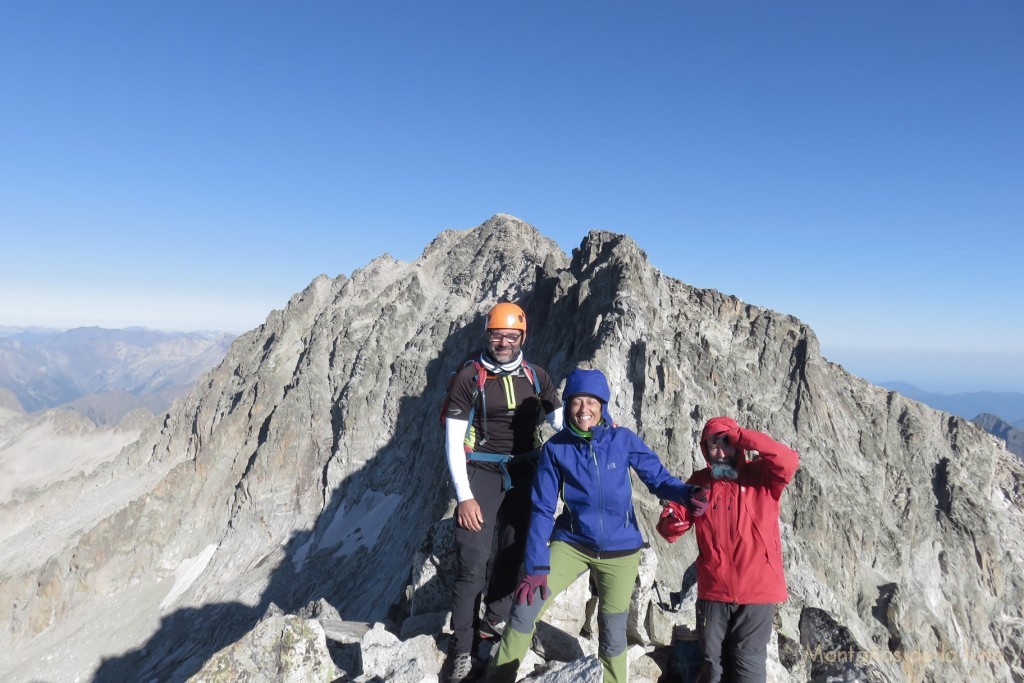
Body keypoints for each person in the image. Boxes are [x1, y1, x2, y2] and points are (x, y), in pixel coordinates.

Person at [488, 368, 707, 683]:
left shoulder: (623, 440)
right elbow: (542, 508)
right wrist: (536, 564)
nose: (584, 410)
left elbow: (658, 480)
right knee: (525, 605)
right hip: (573, 543)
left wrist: (688, 494)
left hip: (621, 550)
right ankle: (500, 678)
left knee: (613, 633)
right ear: (568, 405)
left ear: (603, 405)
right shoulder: (556, 449)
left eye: (592, 402)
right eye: (576, 402)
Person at [443, 302, 563, 682]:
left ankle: (492, 624)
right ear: (487, 336)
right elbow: (452, 441)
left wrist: (595, 425)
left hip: (524, 468)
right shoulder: (469, 377)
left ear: (522, 338)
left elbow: (560, 420)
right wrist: (464, 496)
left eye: (512, 336)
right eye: (497, 335)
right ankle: (461, 648)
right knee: (472, 562)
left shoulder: (536, 375)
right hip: (480, 470)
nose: (504, 342)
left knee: (514, 552)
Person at [656, 416, 799, 683]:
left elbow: (788, 460)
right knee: (713, 665)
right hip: (714, 592)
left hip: (756, 594)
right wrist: (680, 518)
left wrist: (742, 435)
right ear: (705, 449)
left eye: (727, 444)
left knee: (749, 666)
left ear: (739, 446)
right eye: (713, 446)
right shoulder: (699, 482)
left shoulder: (762, 476)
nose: (721, 453)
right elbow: (667, 528)